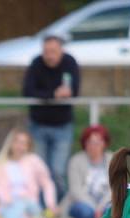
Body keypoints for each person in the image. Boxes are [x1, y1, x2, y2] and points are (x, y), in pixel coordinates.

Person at [22, 35, 80, 200]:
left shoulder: (70, 63)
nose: (49, 55)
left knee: (58, 171)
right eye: (46, 51)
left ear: (61, 50)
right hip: (38, 125)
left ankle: (59, 207)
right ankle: (40, 209)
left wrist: (66, 93)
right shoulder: (36, 63)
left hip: (62, 126)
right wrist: (53, 94)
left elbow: (75, 90)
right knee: (39, 171)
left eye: (53, 51)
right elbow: (28, 91)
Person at [0, 128, 57, 218]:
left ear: (28, 146)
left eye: (24, 143)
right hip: (8, 206)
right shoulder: (0, 163)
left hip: (31, 205)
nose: (20, 146)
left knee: (22, 201)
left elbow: (47, 183)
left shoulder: (34, 161)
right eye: (18, 142)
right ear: (10, 143)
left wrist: (50, 204)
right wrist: (11, 202)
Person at [63, 125, 112, 218]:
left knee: (110, 213)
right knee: (86, 213)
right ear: (84, 143)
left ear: (104, 143)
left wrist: (100, 207)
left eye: (98, 142)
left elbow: (115, 188)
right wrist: (95, 208)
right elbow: (75, 190)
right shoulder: (76, 160)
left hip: (105, 203)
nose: (93, 146)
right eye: (90, 142)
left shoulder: (113, 159)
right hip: (80, 203)